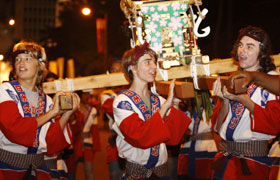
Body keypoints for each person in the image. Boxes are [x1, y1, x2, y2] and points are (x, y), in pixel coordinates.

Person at [0, 40, 80, 179]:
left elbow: (51, 143)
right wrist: (53, 113)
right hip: (7, 169)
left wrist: (66, 114)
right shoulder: (5, 91)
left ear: (40, 65)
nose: (21, 63)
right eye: (17, 59)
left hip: (38, 169)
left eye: (27, 59)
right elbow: (15, 130)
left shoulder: (47, 100)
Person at [112, 42, 192, 179]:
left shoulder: (158, 100)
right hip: (137, 174)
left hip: (161, 173)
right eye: (147, 62)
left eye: (154, 62)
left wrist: (175, 105)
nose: (154, 66)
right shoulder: (122, 102)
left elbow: (173, 139)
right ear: (132, 68)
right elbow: (141, 137)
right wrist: (166, 107)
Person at [211, 26, 278, 179]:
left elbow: (273, 124)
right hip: (226, 159)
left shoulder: (271, 80)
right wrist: (224, 101)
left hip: (252, 162)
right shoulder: (234, 79)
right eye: (240, 45)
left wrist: (244, 100)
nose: (242, 50)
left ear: (262, 52)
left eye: (249, 47)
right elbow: (218, 128)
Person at [177, 92, 218, 180]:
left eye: (200, 96)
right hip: (188, 146)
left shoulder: (211, 109)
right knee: (185, 176)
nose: (198, 98)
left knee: (205, 174)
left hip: (205, 147)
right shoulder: (187, 109)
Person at [229, 71, 280, 135]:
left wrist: (245, 101)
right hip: (227, 141)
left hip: (254, 142)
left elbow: (274, 124)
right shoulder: (237, 77)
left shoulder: (270, 77)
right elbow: (219, 127)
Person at [67, 90, 101, 180]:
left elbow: (95, 129)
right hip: (74, 143)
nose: (87, 97)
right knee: (71, 172)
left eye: (88, 94)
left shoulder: (92, 110)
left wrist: (96, 146)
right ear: (80, 96)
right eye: (85, 94)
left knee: (89, 171)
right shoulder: (74, 110)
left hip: (87, 143)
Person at [101, 60, 126, 180]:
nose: (117, 72)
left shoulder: (132, 89)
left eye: (120, 69)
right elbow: (115, 111)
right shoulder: (106, 94)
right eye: (114, 70)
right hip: (115, 144)